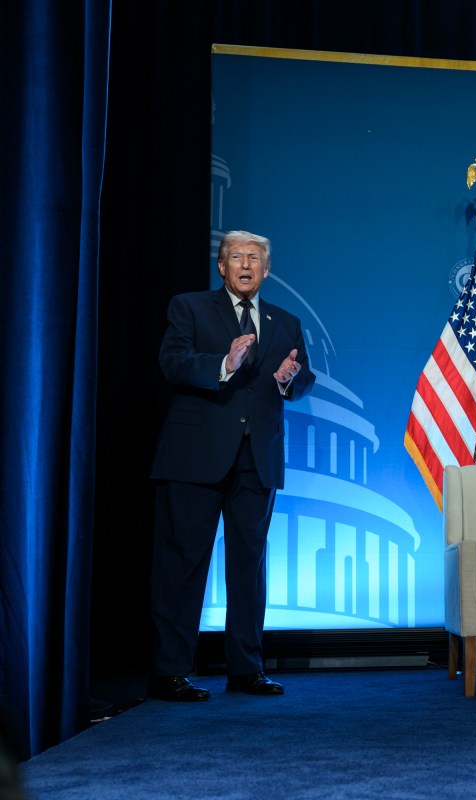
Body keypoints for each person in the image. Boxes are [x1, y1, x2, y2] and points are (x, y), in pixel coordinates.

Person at [147, 230, 315, 701]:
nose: (245, 264)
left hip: (256, 460)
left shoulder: (286, 321)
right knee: (181, 565)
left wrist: (290, 380)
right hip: (194, 457)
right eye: (236, 257)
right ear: (222, 267)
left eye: (255, 258)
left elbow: (304, 378)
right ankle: (170, 672)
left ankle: (246, 669)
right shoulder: (190, 307)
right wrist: (224, 362)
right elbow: (173, 363)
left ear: (266, 269)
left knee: (249, 566)